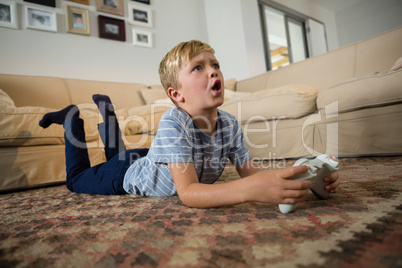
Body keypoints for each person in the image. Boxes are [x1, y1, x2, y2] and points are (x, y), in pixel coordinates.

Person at [39, 40, 339, 208]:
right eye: (199, 67)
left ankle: (108, 114)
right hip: (127, 173)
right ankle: (70, 120)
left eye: (215, 65)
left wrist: (301, 174)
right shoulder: (174, 122)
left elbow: (251, 172)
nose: (213, 72)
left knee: (119, 155)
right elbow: (189, 193)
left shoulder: (230, 124)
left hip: (156, 159)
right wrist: (246, 190)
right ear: (176, 94)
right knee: (77, 180)